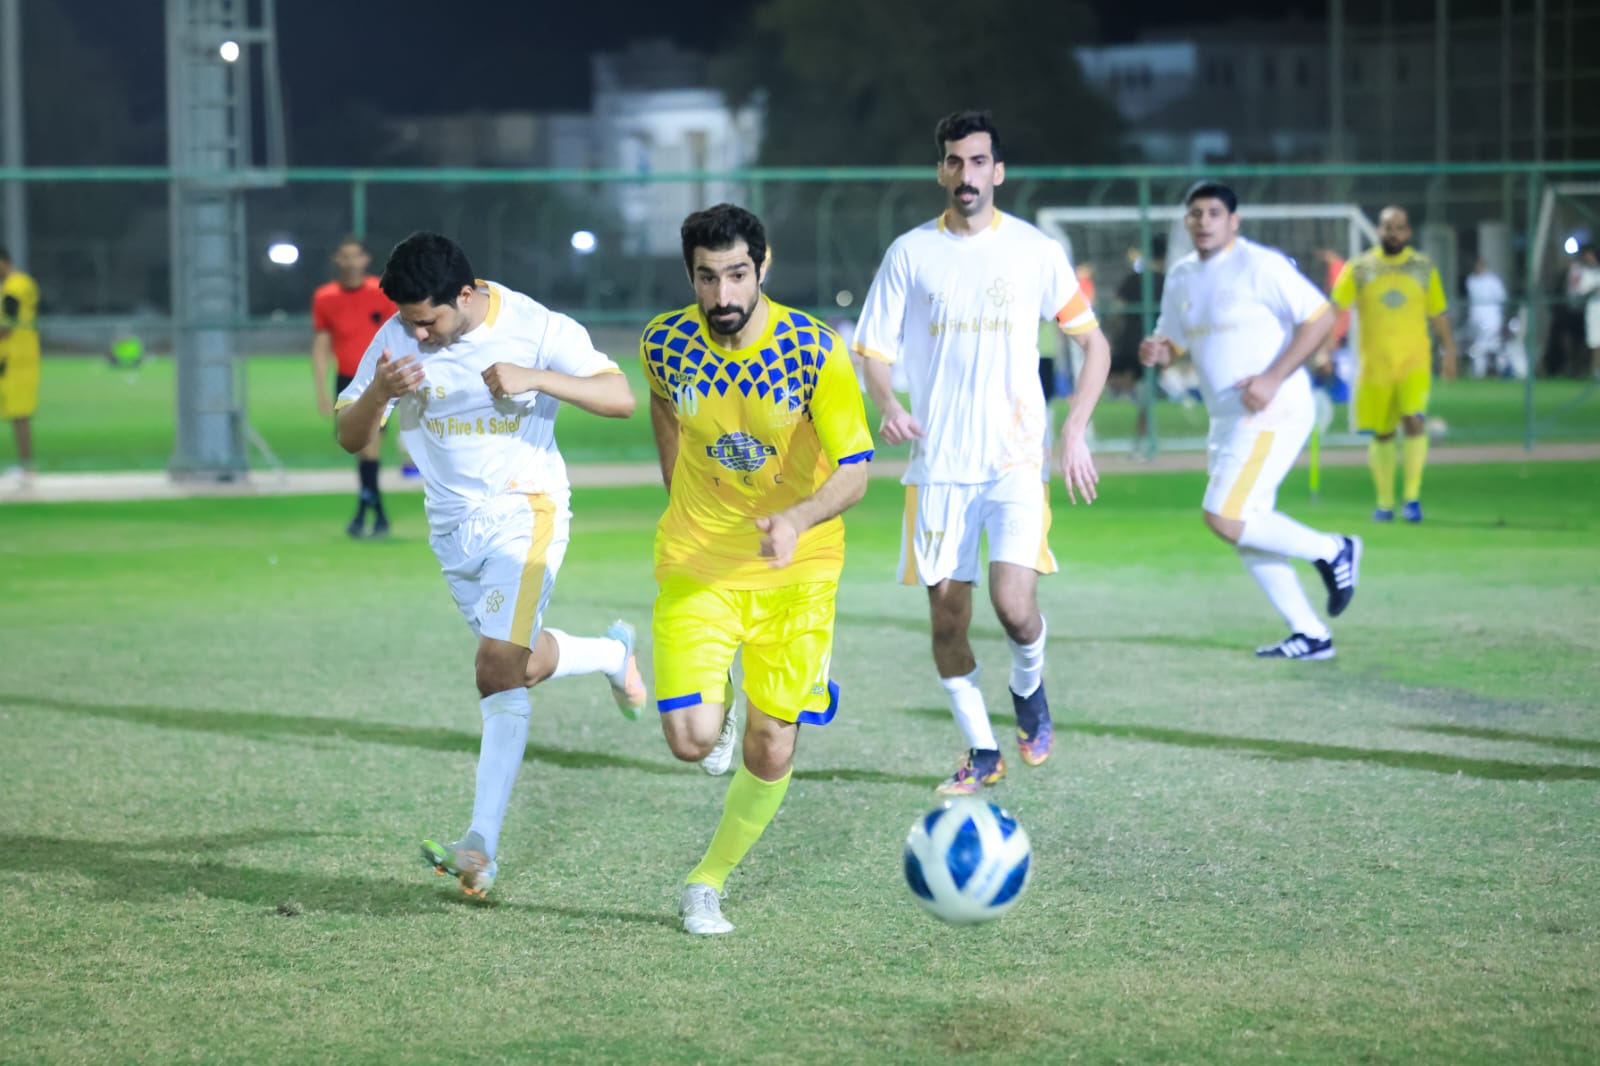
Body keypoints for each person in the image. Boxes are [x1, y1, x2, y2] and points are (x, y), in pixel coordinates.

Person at [335, 231, 646, 898]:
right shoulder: (396, 337)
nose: (419, 335)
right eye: (411, 323)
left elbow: (620, 397)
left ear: (466, 294)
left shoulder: (534, 326)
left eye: (429, 321)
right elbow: (348, 436)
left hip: (525, 512)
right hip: (452, 531)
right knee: (518, 664)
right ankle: (611, 655)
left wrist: (536, 379)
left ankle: (479, 846)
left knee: (495, 668)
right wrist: (377, 392)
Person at [852, 110, 1111, 796]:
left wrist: (1074, 430)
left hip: (1015, 460)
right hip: (938, 467)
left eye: (977, 162)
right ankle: (983, 750)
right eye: (954, 162)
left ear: (998, 170)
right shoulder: (910, 253)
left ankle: (1029, 689)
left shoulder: (1034, 250)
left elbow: (1094, 343)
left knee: (1015, 607)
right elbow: (872, 349)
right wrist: (890, 404)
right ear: (941, 171)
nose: (965, 175)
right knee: (948, 619)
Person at [641, 204, 873, 935]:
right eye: (707, 278)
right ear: (690, 276)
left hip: (798, 570)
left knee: (771, 745)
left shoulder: (812, 350)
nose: (723, 295)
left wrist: (797, 519)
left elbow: (857, 470)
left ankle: (706, 882)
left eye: (737, 274)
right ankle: (720, 705)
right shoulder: (663, 342)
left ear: (763, 266)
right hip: (700, 561)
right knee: (691, 741)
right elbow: (663, 402)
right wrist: (676, 483)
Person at [1140, 181, 1362, 662]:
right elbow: (1173, 340)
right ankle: (1311, 634)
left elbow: (1321, 318)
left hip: (1272, 409)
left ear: (1233, 221)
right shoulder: (1181, 276)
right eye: (1196, 214)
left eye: (1214, 213)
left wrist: (1273, 377)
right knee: (1246, 525)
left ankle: (1333, 549)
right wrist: (1160, 350)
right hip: (1225, 417)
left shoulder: (1261, 265)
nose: (1204, 222)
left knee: (1225, 515)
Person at [1330, 206, 1458, 523]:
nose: (1394, 233)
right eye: (1388, 227)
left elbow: (1439, 313)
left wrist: (1450, 352)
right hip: (1375, 366)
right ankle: (1385, 503)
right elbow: (1335, 309)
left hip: (1414, 362)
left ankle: (1412, 499)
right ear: (1379, 230)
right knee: (1383, 433)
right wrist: (1325, 348)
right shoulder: (1360, 268)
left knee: (1414, 420)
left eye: (1400, 227)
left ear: (1408, 232)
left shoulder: (1423, 268)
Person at [313, 237, 399, 537]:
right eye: (345, 256)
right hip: (346, 380)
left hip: (377, 380)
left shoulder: (381, 292)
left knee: (369, 447)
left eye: (355, 256)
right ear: (337, 260)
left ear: (365, 259)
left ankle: (369, 515)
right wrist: (321, 390)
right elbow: (322, 343)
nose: (351, 262)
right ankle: (372, 514)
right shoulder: (325, 297)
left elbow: (397, 334)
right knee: (360, 448)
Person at [0, 246, 41, 484]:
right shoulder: (22, 284)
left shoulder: (13, 288)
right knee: (19, 414)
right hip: (19, 356)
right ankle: (26, 466)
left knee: (19, 414)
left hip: (15, 359)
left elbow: (6, 327)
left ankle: (27, 468)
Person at [1464, 257, 1511, 378]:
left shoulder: (1493, 280)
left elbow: (1502, 298)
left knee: (1495, 346)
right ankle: (1479, 372)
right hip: (1477, 320)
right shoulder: (1471, 280)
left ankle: (1501, 371)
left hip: (1492, 319)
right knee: (1478, 347)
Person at [1570, 244, 1600, 378]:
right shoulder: (1582, 271)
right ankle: (1595, 371)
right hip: (1592, 310)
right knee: (1594, 341)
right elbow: (1579, 290)